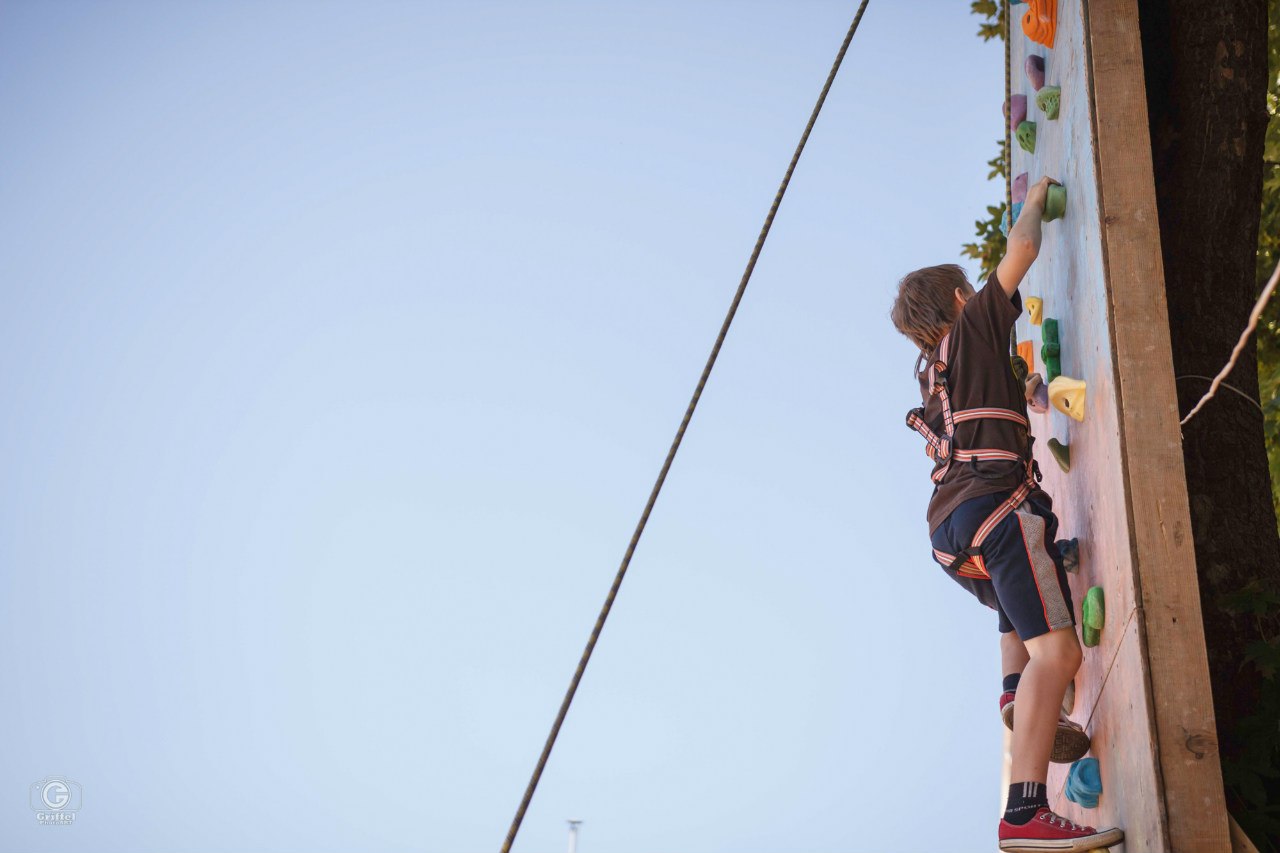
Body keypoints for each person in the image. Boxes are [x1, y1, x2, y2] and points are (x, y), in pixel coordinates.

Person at [889, 176, 1124, 852]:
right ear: (961, 300)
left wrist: (1036, 393)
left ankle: (1013, 690)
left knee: (1015, 610)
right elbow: (1022, 246)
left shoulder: (937, 375)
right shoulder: (976, 324)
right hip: (996, 506)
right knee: (1062, 649)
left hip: (951, 532)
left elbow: (1007, 397)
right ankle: (1023, 813)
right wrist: (1038, 195)